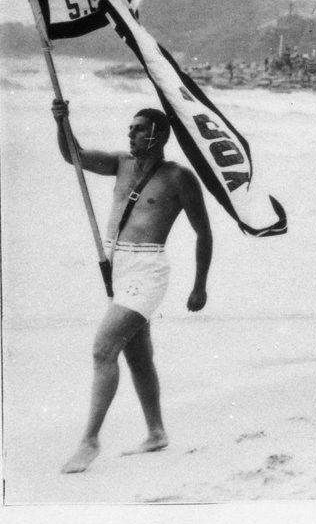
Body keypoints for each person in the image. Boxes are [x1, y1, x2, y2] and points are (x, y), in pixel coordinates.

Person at [51, 100, 213, 474]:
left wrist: (199, 285)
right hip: (118, 267)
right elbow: (73, 156)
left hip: (148, 269)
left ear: (157, 135)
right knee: (138, 357)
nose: (131, 133)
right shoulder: (121, 164)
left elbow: (203, 231)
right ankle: (156, 432)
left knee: (103, 348)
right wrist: (62, 122)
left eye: (139, 129)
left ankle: (89, 441)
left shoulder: (178, 177)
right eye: (131, 128)